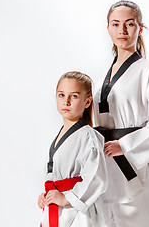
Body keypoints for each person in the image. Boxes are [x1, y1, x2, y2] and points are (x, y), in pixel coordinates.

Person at [93, 0, 149, 227]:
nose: (122, 30)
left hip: (135, 167)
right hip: (108, 170)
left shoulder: (148, 69)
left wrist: (126, 145)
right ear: (108, 28)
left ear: (140, 29)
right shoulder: (102, 75)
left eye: (129, 24)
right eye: (115, 24)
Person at [38, 71, 108, 227]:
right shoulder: (60, 135)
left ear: (87, 101)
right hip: (59, 206)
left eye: (74, 96)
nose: (66, 101)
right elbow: (55, 174)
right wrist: (45, 196)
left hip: (78, 212)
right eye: (61, 95)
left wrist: (67, 198)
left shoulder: (89, 136)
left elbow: (97, 177)